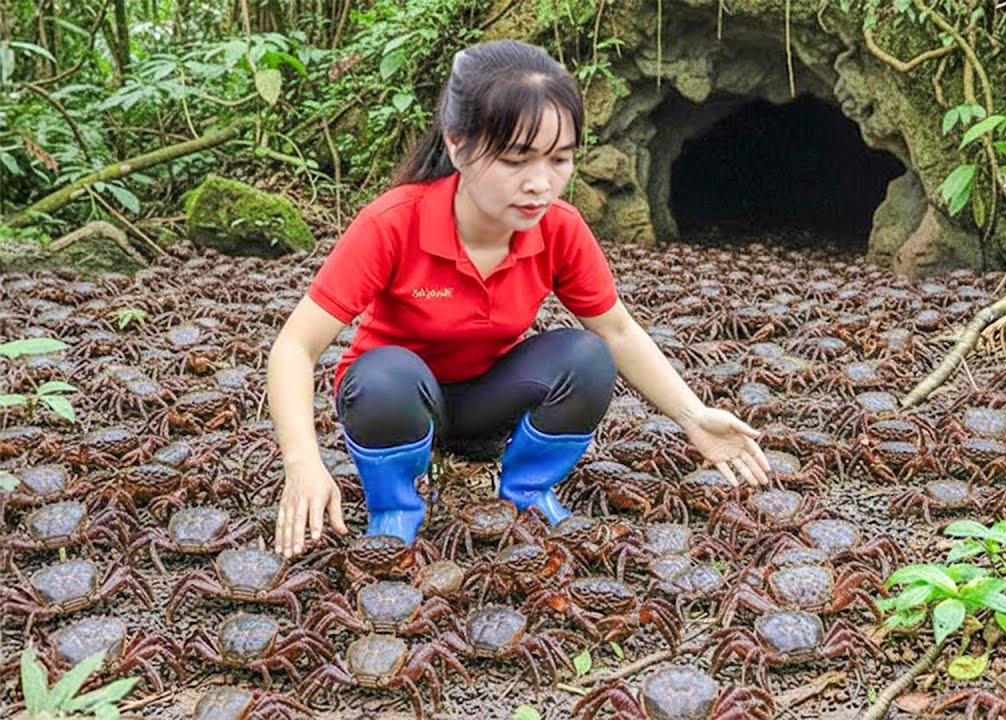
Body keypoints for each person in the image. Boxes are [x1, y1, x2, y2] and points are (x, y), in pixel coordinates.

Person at [269, 39, 771, 559]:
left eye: (560, 159)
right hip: (398, 406)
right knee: (382, 374)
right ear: (457, 145)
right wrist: (303, 460)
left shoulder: (561, 230)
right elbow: (294, 348)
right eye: (516, 159)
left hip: (489, 403)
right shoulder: (393, 223)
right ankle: (394, 507)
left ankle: (527, 492)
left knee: (586, 356)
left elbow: (617, 331)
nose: (540, 184)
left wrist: (693, 417)